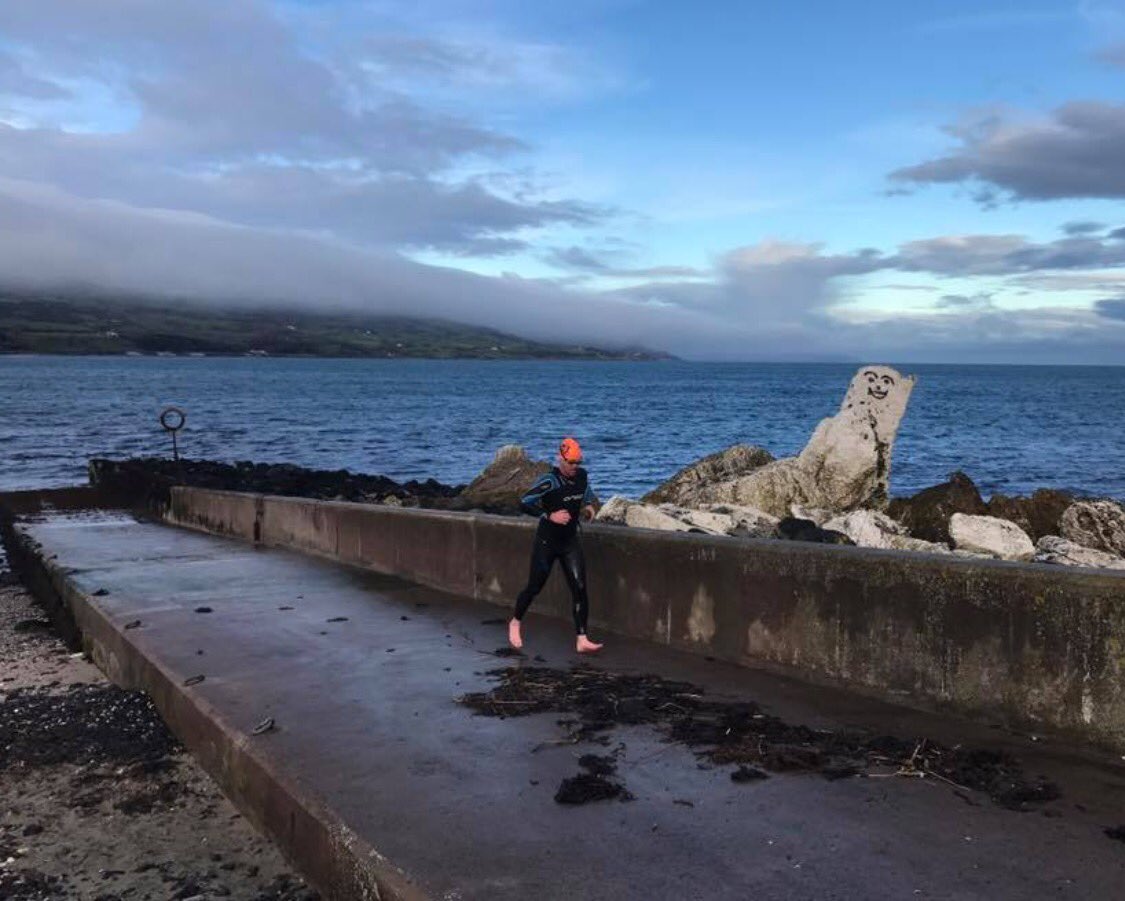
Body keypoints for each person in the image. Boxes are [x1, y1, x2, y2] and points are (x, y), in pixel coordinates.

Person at [509, 437, 603, 654]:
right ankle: (515, 622)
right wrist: (548, 515)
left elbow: (585, 491)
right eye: (570, 463)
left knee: (580, 588)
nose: (574, 467)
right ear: (560, 459)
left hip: (569, 541)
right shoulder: (550, 481)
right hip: (547, 542)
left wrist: (588, 505)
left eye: (577, 462)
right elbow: (524, 502)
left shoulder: (581, 475)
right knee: (535, 587)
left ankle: (582, 638)